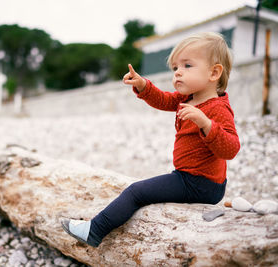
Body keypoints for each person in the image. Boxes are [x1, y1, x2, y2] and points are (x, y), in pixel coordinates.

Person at [61, 32, 241, 248]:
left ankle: (95, 230)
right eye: (175, 68)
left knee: (136, 192)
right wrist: (143, 85)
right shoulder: (187, 98)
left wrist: (206, 124)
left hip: (201, 184)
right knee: (144, 190)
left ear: (214, 72)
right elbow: (164, 100)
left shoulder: (217, 108)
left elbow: (230, 149)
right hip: (189, 177)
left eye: (187, 66)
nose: (178, 73)